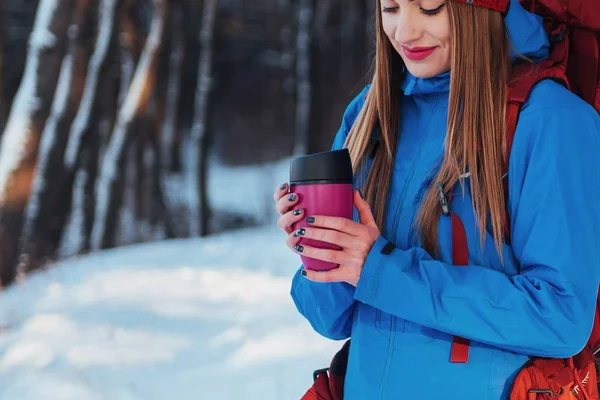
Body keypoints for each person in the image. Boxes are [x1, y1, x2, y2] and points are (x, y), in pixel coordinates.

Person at [273, 0, 600, 398]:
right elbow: (330, 320)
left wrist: (381, 270)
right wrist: (325, 254)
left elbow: (561, 317)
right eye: (390, 8)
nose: (405, 32)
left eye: (429, 8)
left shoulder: (549, 120)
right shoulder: (369, 112)